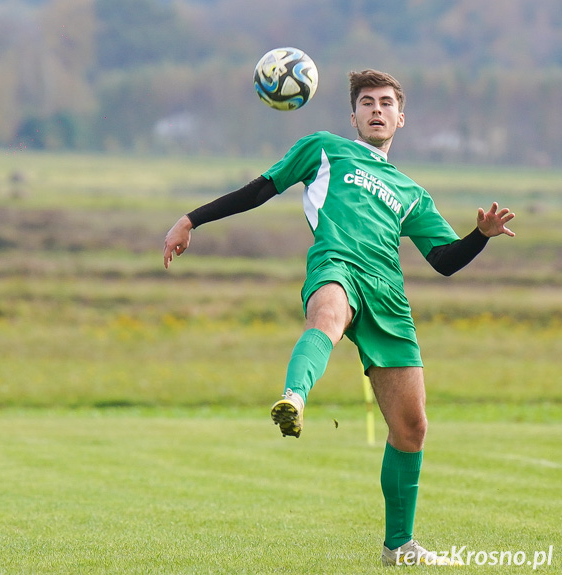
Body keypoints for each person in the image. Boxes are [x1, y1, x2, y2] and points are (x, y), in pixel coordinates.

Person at [162, 70, 515, 567]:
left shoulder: (412, 192)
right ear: (353, 116)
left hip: (388, 294)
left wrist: (479, 235)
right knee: (325, 315)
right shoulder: (324, 148)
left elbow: (444, 261)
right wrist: (190, 219)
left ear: (400, 117)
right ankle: (294, 398)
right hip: (337, 264)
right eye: (367, 102)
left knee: (411, 428)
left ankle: (399, 546)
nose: (376, 109)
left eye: (386, 103)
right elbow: (261, 189)